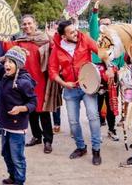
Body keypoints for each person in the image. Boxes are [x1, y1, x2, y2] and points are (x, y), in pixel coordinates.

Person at [48, 20, 102, 165]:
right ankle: (80, 147)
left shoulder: (84, 39)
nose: (76, 33)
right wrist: (65, 83)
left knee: (93, 116)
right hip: (70, 88)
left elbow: (101, 52)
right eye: (71, 32)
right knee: (73, 122)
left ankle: (96, 149)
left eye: (75, 30)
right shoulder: (57, 48)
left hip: (88, 86)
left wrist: (110, 65)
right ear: (63, 37)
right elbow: (52, 71)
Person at [0, 42, 37, 185]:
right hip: (5, 125)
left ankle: (19, 181)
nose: (6, 64)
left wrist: (22, 108)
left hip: (17, 127)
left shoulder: (23, 82)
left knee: (17, 157)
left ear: (19, 65)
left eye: (11, 62)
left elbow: (33, 102)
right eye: (6, 61)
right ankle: (13, 176)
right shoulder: (5, 75)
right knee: (6, 154)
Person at [5, 15, 53, 154]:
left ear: (35, 24)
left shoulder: (43, 40)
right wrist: (5, 38)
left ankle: (48, 140)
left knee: (43, 112)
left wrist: (51, 39)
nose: (27, 26)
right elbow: (10, 50)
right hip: (25, 82)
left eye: (29, 23)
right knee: (30, 111)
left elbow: (54, 50)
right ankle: (37, 136)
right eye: (24, 24)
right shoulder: (19, 42)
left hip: (41, 81)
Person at [89, 0, 124, 141]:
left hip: (112, 76)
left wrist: (114, 69)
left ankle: (111, 129)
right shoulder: (96, 37)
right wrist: (96, 6)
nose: (106, 27)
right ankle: (97, 133)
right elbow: (93, 24)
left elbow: (120, 62)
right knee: (96, 105)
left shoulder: (117, 42)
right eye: (103, 24)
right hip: (98, 75)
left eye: (109, 24)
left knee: (111, 105)